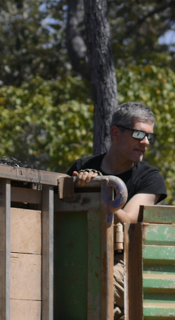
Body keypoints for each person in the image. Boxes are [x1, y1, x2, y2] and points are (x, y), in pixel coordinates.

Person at [67, 102, 167, 308]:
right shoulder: (81, 167)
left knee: (102, 282)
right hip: (76, 251)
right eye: (140, 135)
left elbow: (128, 222)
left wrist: (99, 189)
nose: (146, 142)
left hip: (121, 261)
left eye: (150, 137)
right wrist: (78, 187)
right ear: (116, 133)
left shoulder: (150, 178)